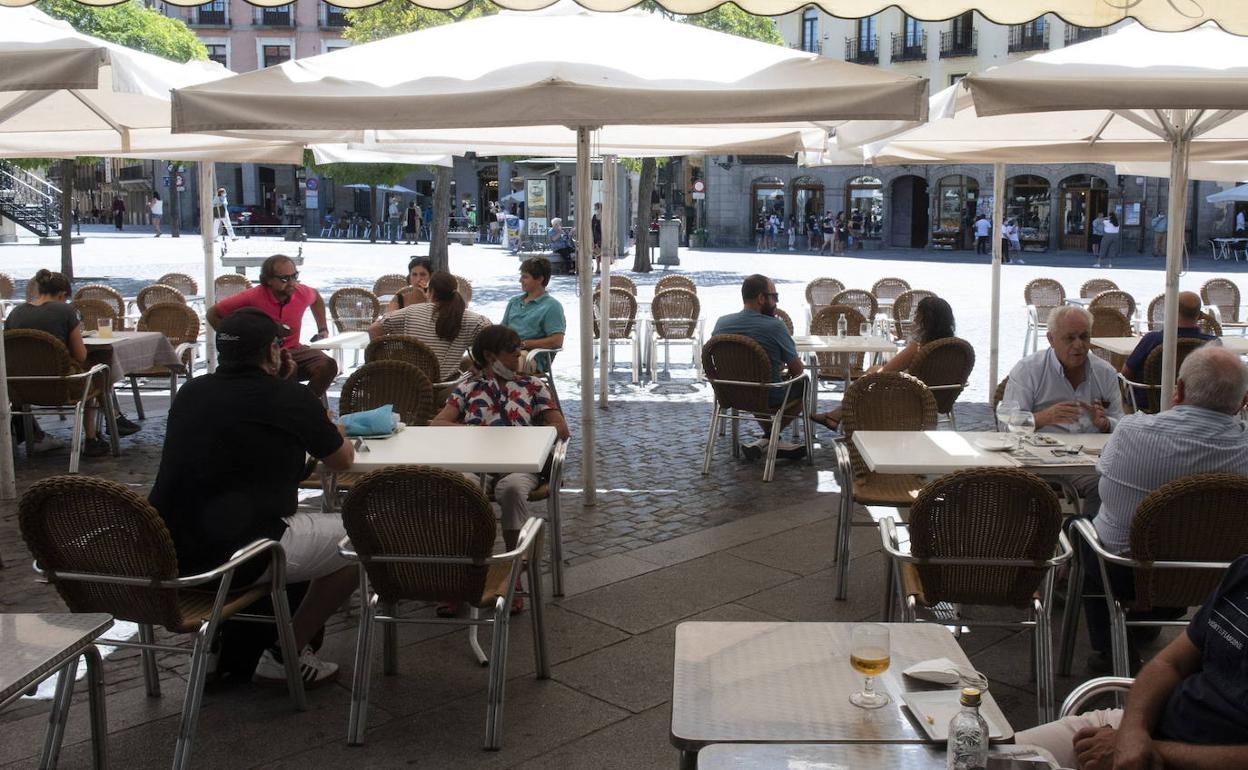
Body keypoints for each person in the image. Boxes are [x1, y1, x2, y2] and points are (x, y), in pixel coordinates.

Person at [149, 308, 355, 686]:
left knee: (291, 529)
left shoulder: (192, 393)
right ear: (273, 352)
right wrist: (327, 423)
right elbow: (342, 459)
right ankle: (286, 652)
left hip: (167, 549)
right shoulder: (290, 398)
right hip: (238, 556)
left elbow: (240, 443)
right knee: (358, 540)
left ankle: (220, 649)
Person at [1080, 345, 1248, 674]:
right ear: (1243, 402)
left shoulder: (1130, 433)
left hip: (1132, 573)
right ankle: (1150, 621)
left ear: (1179, 390)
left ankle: (1112, 653)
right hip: (1226, 579)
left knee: (1088, 529)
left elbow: (1105, 482)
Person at [1016, 554, 1248, 770]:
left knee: (1088, 548)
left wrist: (1143, 748)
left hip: (1181, 756)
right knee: (992, 755)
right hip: (1144, 725)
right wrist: (1132, 731)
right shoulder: (1243, 571)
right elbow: (1170, 663)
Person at [431, 324, 570, 614]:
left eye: (520, 348)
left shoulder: (533, 385)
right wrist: (471, 433)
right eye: (512, 350)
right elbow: (438, 424)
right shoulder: (469, 387)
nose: (519, 355)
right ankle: (462, 578)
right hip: (474, 461)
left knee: (512, 489)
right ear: (490, 356)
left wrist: (528, 438)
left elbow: (561, 428)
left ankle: (512, 574)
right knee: (463, 489)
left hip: (520, 463)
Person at [1003, 305, 1124, 516]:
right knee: (1103, 484)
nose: (1079, 345)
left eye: (1084, 337)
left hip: (1091, 458)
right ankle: (1075, 540)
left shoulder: (1105, 372)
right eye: (1070, 338)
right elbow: (1005, 425)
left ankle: (1091, 540)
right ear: (1050, 339)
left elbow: (1121, 422)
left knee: (1122, 481)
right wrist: (1041, 418)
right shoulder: (1029, 370)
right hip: (1041, 457)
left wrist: (1105, 423)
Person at [6, 269, 122, 457]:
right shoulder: (65, 311)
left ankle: (36, 436)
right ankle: (94, 436)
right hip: (62, 386)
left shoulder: (16, 313)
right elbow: (81, 355)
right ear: (62, 295)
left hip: (20, 388)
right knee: (97, 372)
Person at [811, 296, 957, 431]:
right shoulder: (955, 347)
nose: (913, 320)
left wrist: (873, 372)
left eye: (916, 316)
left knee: (872, 375)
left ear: (924, 321)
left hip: (911, 400)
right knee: (874, 373)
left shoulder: (918, 347)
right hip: (942, 399)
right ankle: (835, 415)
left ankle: (837, 416)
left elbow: (885, 372)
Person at [207, 254, 337, 397]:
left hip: (294, 349)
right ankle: (288, 406)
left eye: (294, 276)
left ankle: (304, 402)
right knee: (287, 371)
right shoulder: (251, 296)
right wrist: (234, 342)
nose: (292, 282)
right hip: (262, 353)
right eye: (285, 279)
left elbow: (316, 299)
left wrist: (322, 329)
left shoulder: (301, 292)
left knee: (328, 365)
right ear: (268, 280)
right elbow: (213, 314)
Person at [711, 274, 807, 461]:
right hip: (765, 394)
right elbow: (798, 371)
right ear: (761, 298)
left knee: (755, 382)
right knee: (803, 383)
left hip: (730, 392)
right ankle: (773, 440)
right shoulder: (775, 327)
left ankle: (767, 440)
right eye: (775, 297)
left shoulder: (721, 323)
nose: (776, 303)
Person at [370, 270, 491, 379]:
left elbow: (374, 329)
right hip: (444, 391)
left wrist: (385, 359)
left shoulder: (410, 312)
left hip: (407, 387)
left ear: (430, 291)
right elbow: (493, 337)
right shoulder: (471, 319)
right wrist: (478, 364)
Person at [1121, 291, 1215, 407]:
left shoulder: (1152, 339)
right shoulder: (1212, 344)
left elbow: (1126, 372)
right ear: (1200, 315)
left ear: (1172, 311)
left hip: (1151, 406)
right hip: (1197, 407)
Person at [502, 257, 565, 374]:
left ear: (540, 279)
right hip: (507, 351)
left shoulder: (552, 306)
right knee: (469, 362)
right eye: (521, 276)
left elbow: (557, 341)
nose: (520, 280)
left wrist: (524, 344)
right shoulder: (514, 302)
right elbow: (502, 330)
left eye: (525, 277)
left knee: (501, 365)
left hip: (531, 356)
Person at [591, 202, 603, 273]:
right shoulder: (594, 217)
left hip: (603, 237)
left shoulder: (604, 216)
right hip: (596, 237)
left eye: (596, 208)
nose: (595, 209)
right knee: (596, 253)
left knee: (602, 253)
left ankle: (601, 267)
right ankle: (598, 267)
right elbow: (592, 227)